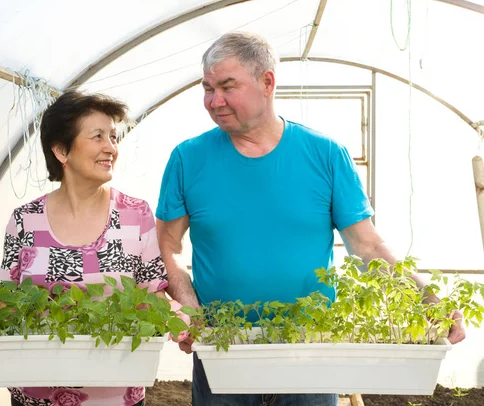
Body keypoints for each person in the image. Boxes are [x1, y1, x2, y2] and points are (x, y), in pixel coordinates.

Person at [155, 31, 466, 406]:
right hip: (223, 350)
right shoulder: (188, 159)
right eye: (207, 88)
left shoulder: (326, 154)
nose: (214, 101)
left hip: (309, 351)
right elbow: (167, 246)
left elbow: (366, 245)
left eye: (227, 87)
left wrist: (428, 298)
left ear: (267, 82)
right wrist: (189, 309)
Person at [0, 91, 169, 406]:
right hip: (38, 396)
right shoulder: (25, 220)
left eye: (113, 137)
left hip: (115, 395)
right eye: (98, 137)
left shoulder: (135, 215)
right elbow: (6, 304)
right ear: (62, 150)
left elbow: (153, 294)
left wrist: (179, 320)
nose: (111, 148)